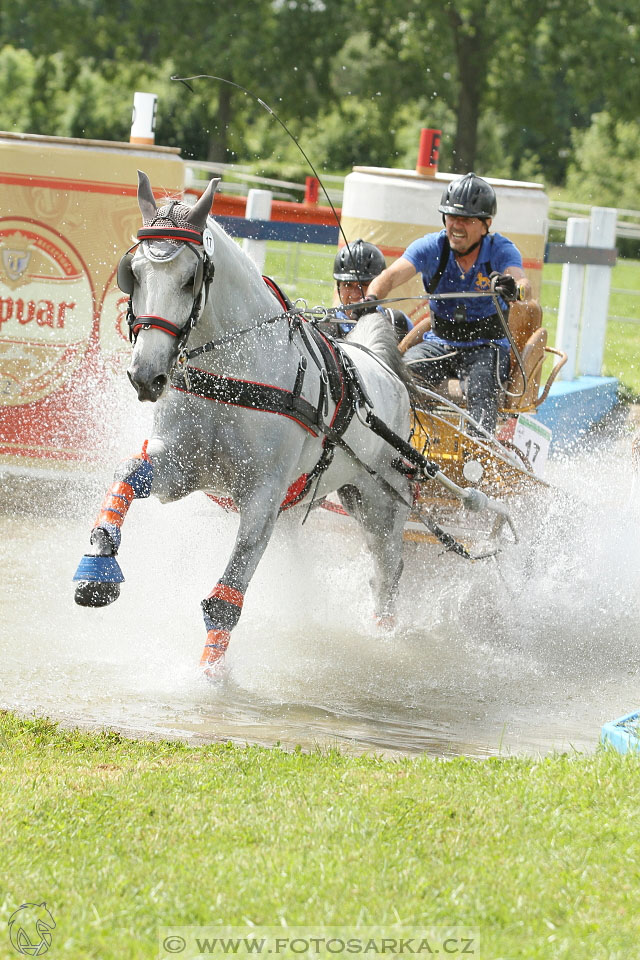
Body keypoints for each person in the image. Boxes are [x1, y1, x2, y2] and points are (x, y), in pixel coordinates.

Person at [362, 173, 532, 434]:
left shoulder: (501, 250)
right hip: (439, 344)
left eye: (466, 219)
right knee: (398, 378)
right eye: (452, 217)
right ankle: (401, 441)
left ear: (486, 224)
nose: (456, 225)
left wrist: (513, 288)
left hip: (485, 347)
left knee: (481, 386)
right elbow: (390, 276)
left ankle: (479, 454)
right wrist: (371, 300)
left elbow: (523, 285)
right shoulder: (431, 247)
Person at [332, 238, 412, 343]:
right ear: (338, 287)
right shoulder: (324, 328)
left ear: (380, 285)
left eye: (364, 284)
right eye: (348, 285)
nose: (355, 293)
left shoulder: (398, 322)